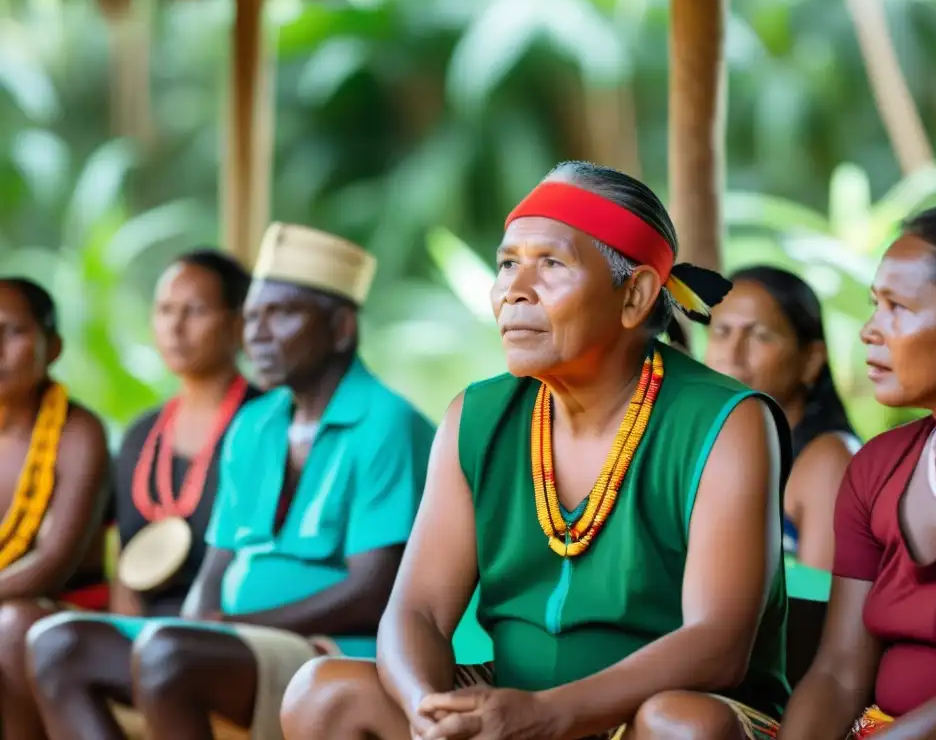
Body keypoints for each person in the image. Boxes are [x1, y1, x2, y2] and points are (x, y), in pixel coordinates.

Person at [281, 161, 793, 740]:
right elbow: (417, 610)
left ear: (636, 294)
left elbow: (718, 647)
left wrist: (550, 716)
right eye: (507, 264)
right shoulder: (475, 418)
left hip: (655, 714)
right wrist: (426, 709)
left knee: (681, 725)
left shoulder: (726, 423)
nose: (514, 291)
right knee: (323, 692)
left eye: (551, 264)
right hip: (516, 704)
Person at [27, 224, 435, 740]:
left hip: (333, 646)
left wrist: (239, 627)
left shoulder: (386, 423)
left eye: (282, 315)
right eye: (253, 317)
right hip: (230, 643)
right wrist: (198, 624)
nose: (257, 335)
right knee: (57, 644)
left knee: (169, 657)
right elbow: (217, 567)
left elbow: (375, 590)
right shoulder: (255, 425)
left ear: (340, 328)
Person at [777, 203, 936, 739]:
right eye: (873, 305)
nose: (870, 330)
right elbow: (840, 673)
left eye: (898, 308)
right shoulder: (878, 466)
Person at [27, 249, 261, 735]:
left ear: (239, 324)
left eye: (194, 311)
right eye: (164, 310)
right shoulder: (141, 435)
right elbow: (121, 564)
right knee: (48, 642)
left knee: (166, 658)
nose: (175, 327)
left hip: (230, 637)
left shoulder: (267, 424)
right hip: (145, 636)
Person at [0, 277, 111, 739]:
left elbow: (52, 564)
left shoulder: (79, 433)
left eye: (13, 332)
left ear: (55, 347)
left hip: (57, 608)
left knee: (11, 623)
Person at [703, 266, 858, 570]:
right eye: (721, 332)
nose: (732, 354)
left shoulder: (829, 461)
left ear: (811, 359)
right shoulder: (709, 450)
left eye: (759, 336)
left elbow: (819, 608)